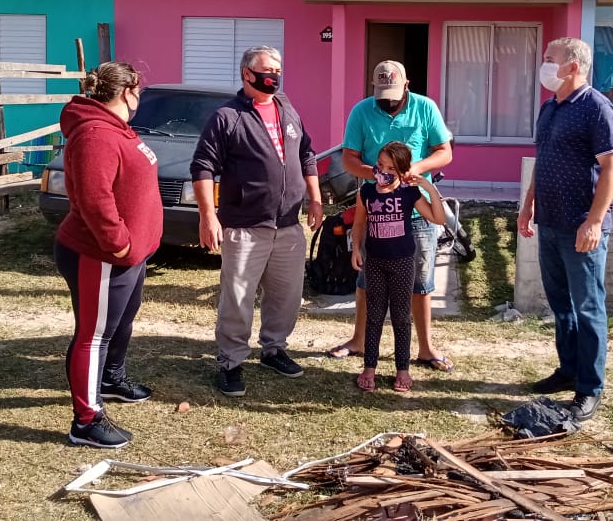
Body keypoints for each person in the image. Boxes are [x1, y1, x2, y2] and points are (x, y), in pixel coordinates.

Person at [191, 45, 324, 397]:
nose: (275, 76)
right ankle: (231, 361)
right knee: (237, 298)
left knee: (288, 295)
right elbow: (203, 167)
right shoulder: (227, 117)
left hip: (288, 225)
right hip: (244, 227)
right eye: (268, 70)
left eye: (278, 69)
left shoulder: (287, 108)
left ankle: (274, 348)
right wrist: (208, 215)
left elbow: (307, 154)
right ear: (247, 74)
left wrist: (315, 197)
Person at [54, 61, 162, 449]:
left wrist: (138, 245)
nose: (140, 98)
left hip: (130, 254)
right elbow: (95, 200)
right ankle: (86, 420)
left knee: (120, 325)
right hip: (98, 254)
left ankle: (111, 380)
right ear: (127, 91)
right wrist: (119, 244)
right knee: (93, 335)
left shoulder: (117, 129)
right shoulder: (95, 135)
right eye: (139, 91)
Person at [517, 37, 613, 423]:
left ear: (573, 66)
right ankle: (568, 370)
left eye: (550, 59)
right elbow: (542, 161)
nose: (543, 65)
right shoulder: (550, 108)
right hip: (550, 221)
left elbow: (612, 166)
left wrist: (595, 220)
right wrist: (528, 205)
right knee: (562, 306)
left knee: (588, 307)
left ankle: (589, 388)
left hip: (581, 226)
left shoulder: (596, 108)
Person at [326, 60, 455, 372]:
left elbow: (445, 152)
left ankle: (425, 348)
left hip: (417, 210)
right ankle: (358, 341)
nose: (388, 101)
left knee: (421, 281)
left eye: (393, 95)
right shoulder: (361, 111)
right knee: (367, 279)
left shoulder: (425, 108)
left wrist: (416, 170)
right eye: (382, 95)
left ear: (407, 85)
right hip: (376, 211)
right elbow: (349, 159)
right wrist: (376, 173)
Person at [351, 141, 446, 393]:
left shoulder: (409, 193)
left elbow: (438, 218)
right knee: (374, 315)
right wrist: (355, 250)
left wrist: (427, 186)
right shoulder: (367, 193)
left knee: (402, 317)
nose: (383, 171)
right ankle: (369, 367)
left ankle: (402, 369)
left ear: (402, 171)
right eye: (380, 165)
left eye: (390, 168)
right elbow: (359, 224)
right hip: (375, 262)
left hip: (403, 262)